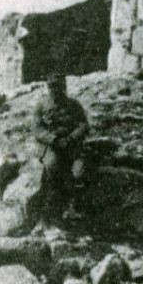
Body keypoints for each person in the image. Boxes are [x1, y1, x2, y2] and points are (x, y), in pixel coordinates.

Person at [34, 74, 90, 218]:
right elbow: (37, 129)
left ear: (63, 87)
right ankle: (57, 202)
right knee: (52, 166)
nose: (55, 90)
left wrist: (71, 138)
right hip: (52, 146)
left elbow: (83, 125)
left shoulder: (74, 105)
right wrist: (53, 139)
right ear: (48, 87)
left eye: (58, 86)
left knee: (79, 172)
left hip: (71, 145)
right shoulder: (41, 105)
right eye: (52, 86)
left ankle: (73, 206)